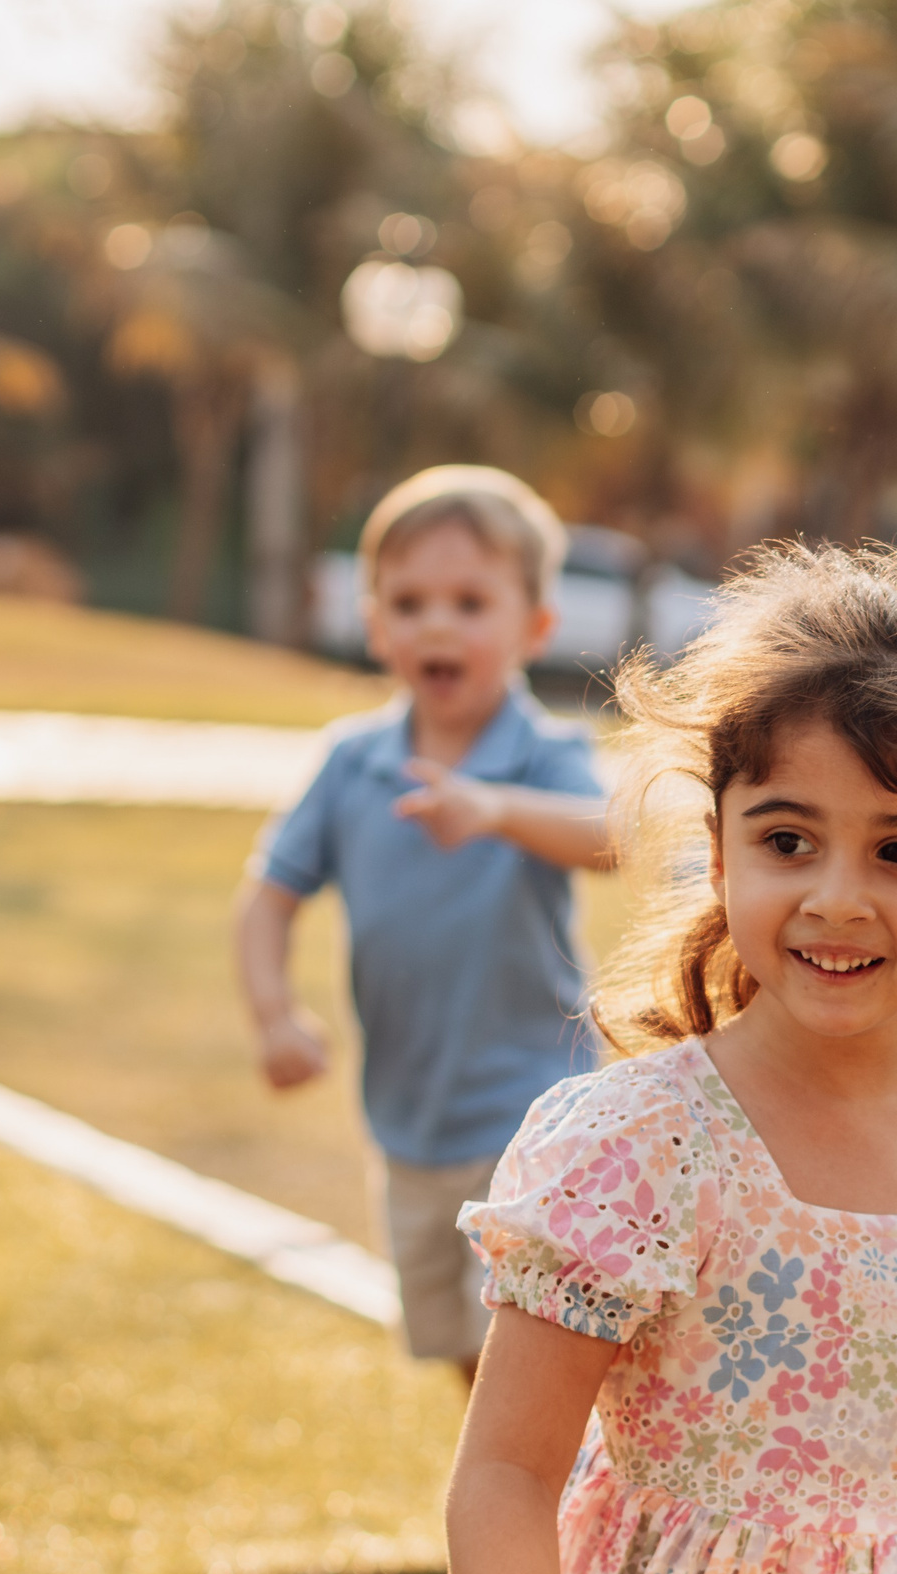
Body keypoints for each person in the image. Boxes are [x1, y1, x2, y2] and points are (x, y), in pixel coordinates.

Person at [443, 540, 897, 1574]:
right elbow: (502, 1473)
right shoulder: (641, 1145)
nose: (835, 896)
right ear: (721, 845)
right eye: (788, 840)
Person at [235, 465, 616, 1386]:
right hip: (408, 1119)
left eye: (469, 601)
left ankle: (558, 1520)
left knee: (535, 1345)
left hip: (535, 1110)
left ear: (534, 627)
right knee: (454, 1341)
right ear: (375, 625)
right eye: (409, 602)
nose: (437, 624)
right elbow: (268, 895)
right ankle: (515, 1510)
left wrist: (493, 808)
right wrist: (274, 1013)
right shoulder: (353, 762)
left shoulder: (543, 753)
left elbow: (613, 839)